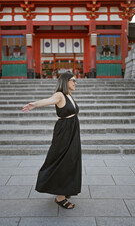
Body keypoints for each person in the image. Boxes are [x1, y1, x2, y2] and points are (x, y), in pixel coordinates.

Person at [22, 72, 82, 209]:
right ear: (66, 81)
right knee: (61, 160)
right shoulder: (60, 95)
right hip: (64, 133)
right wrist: (34, 104)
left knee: (71, 159)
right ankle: (60, 197)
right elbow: (49, 100)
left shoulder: (68, 95)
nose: (75, 83)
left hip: (72, 131)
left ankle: (66, 188)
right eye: (73, 80)